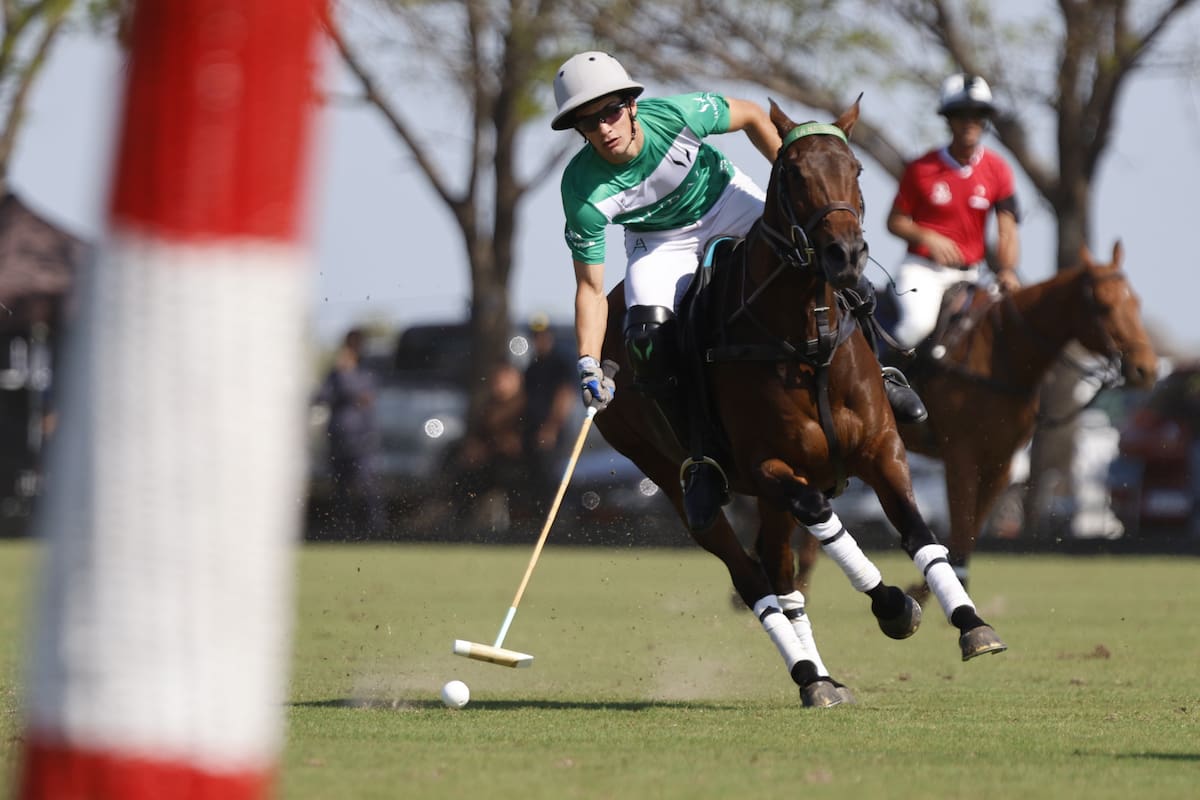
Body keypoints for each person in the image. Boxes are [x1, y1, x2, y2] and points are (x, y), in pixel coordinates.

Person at [551, 51, 925, 532]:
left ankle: (884, 372)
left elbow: (749, 113)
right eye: (587, 122)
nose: (603, 128)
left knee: (825, 255)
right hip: (660, 243)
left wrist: (795, 180)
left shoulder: (679, 115)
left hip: (729, 202)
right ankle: (702, 458)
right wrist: (586, 360)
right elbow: (590, 288)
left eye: (609, 112)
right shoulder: (581, 189)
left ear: (631, 105)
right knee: (644, 338)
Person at [885, 72, 1021, 351]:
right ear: (948, 118)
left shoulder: (998, 170)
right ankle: (886, 387)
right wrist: (928, 237)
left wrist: (1007, 269)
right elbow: (894, 222)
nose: (969, 122)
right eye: (961, 114)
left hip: (970, 276)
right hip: (922, 272)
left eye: (977, 114)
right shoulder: (921, 169)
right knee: (917, 326)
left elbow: (1007, 230)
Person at [314, 327, 385, 536]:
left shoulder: (366, 371)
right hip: (339, 436)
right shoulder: (335, 374)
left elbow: (366, 396)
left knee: (368, 484)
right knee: (340, 487)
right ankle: (342, 528)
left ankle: (375, 527)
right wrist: (340, 377)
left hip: (363, 436)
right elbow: (320, 397)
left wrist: (345, 377)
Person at [519, 314, 577, 517]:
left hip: (553, 431)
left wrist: (551, 428)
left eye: (542, 336)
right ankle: (537, 518)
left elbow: (565, 396)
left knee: (552, 475)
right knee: (535, 477)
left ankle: (560, 520)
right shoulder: (532, 368)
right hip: (533, 430)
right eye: (535, 336)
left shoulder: (559, 364)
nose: (539, 341)